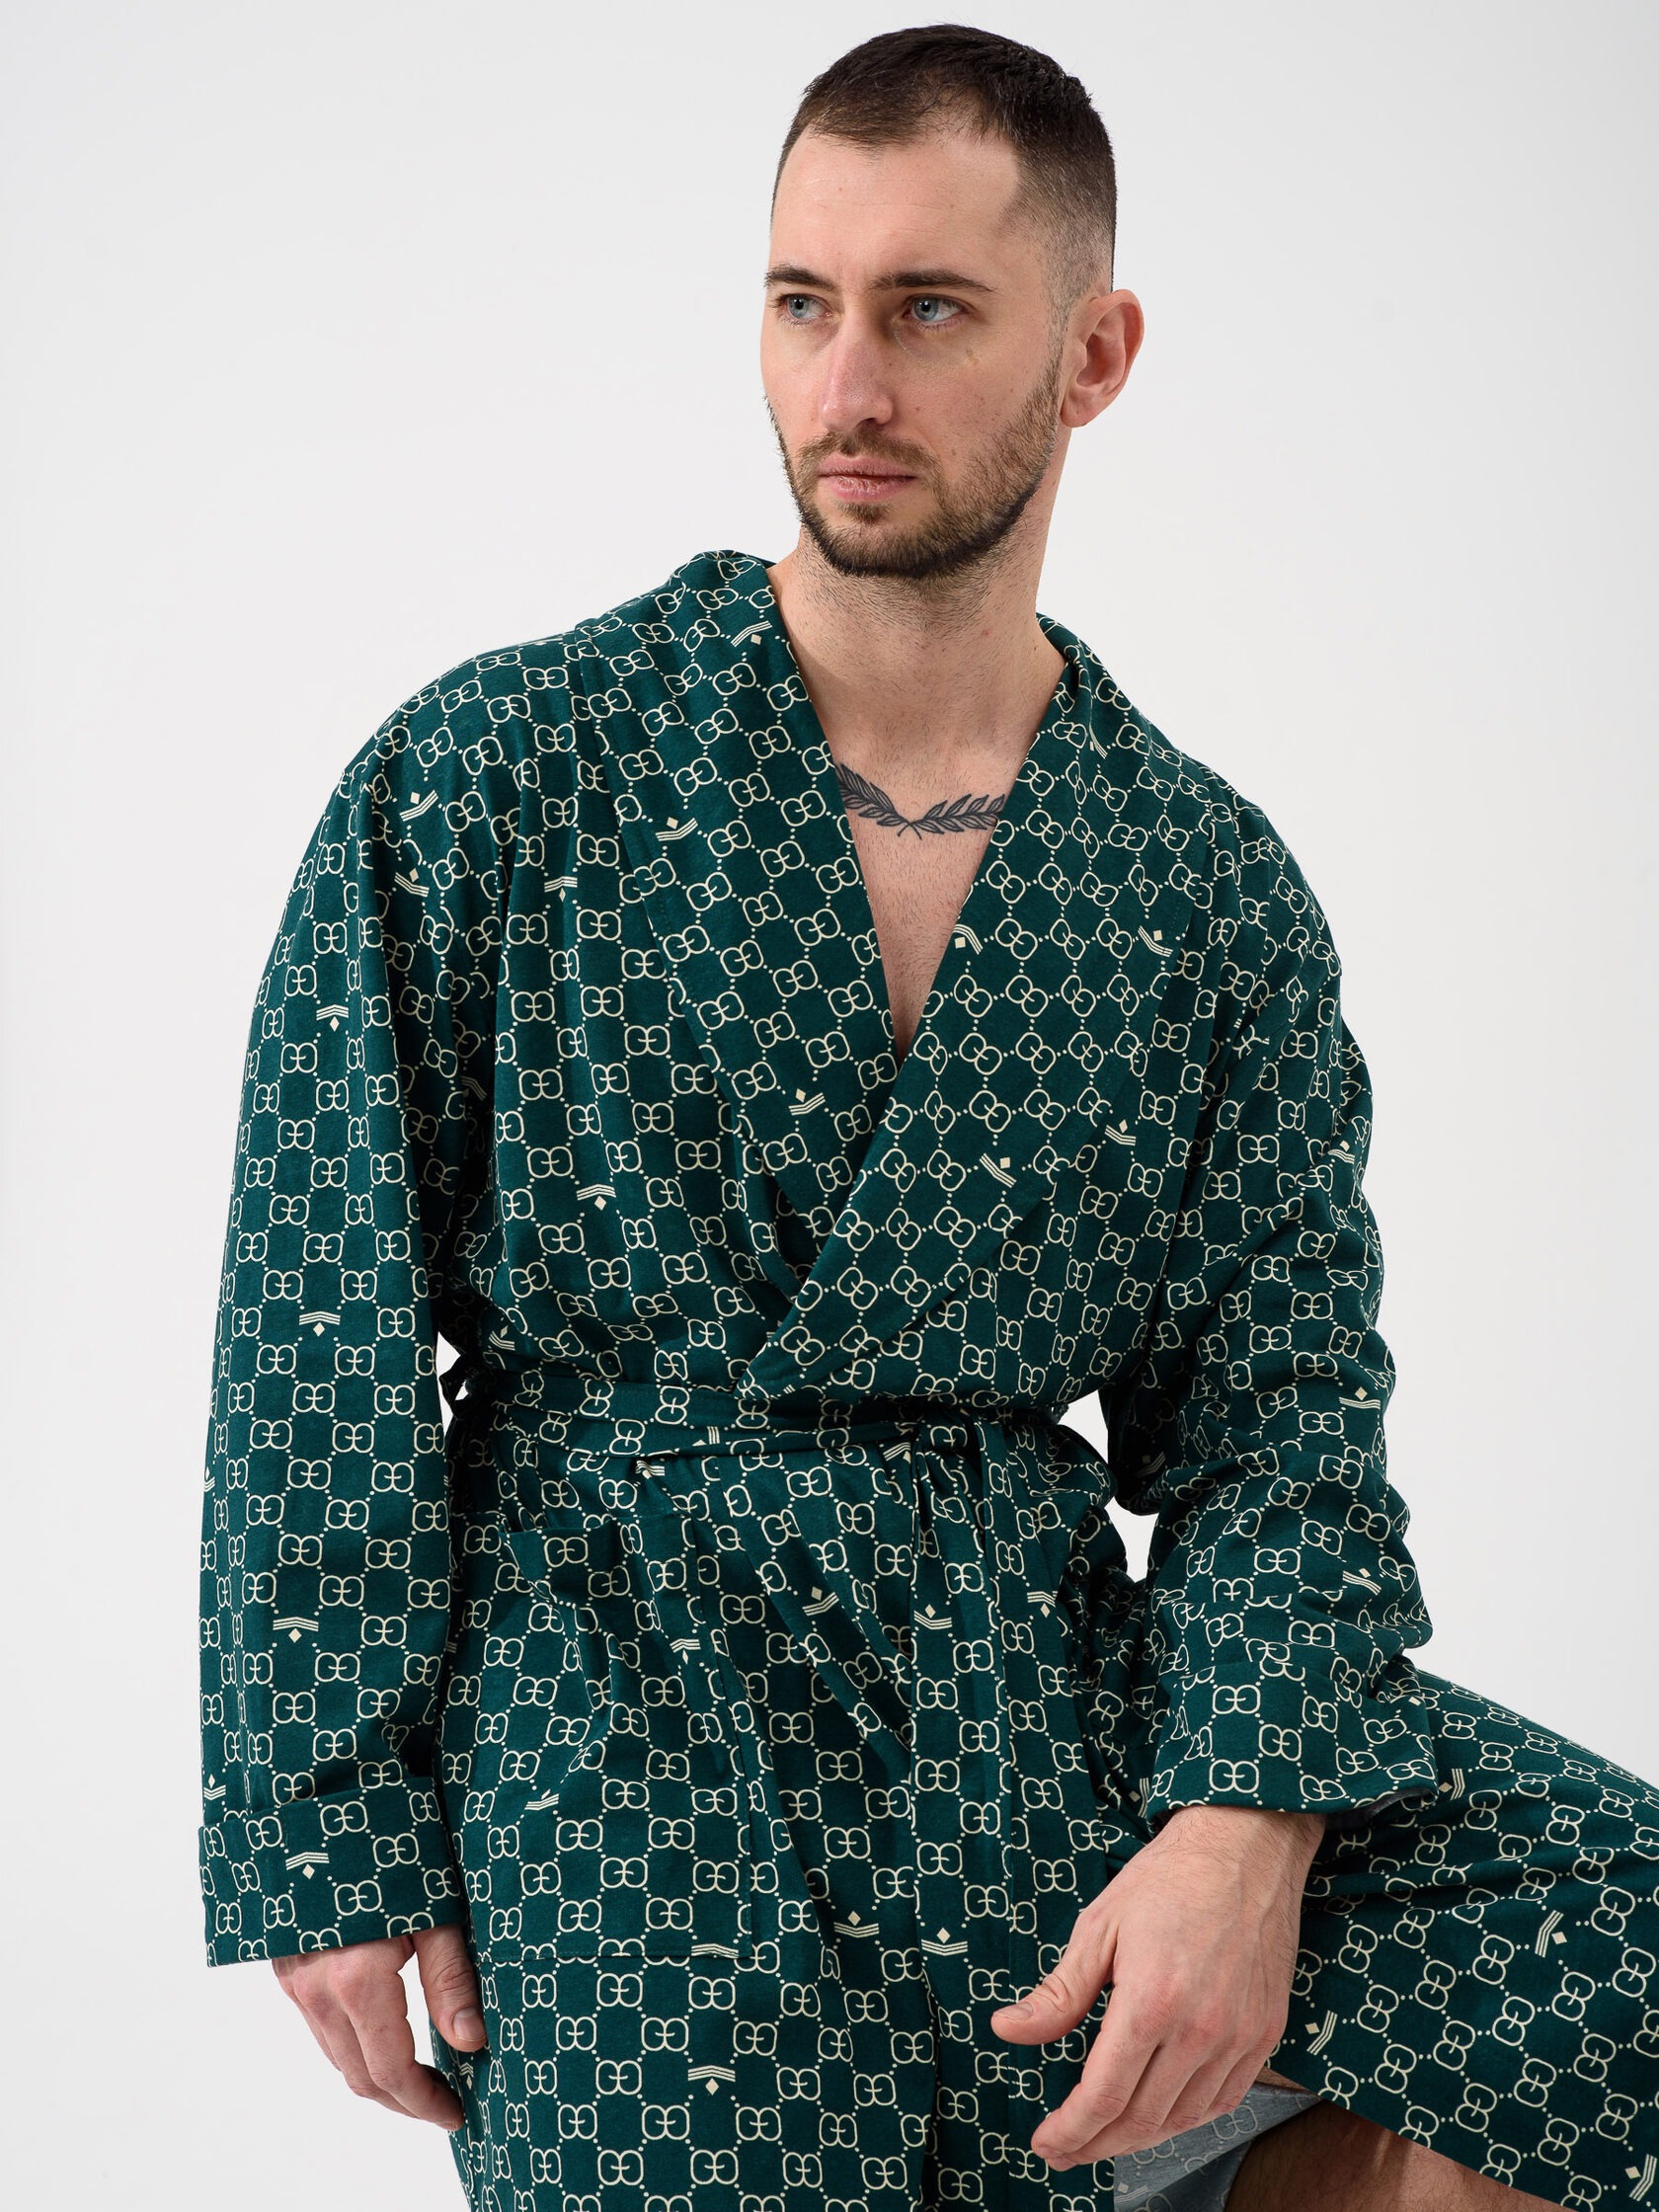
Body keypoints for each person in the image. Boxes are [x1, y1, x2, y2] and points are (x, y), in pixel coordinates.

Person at [196, 24, 1659, 2212]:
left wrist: (1245, 1821)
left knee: (1627, 1952)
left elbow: (1278, 1428)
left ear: (1095, 354)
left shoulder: (1200, 886)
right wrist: (329, 1827)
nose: (846, 385)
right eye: (803, 303)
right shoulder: (492, 773)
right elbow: (317, 1327)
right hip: (621, 1722)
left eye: (930, 311)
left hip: (1034, 1685)